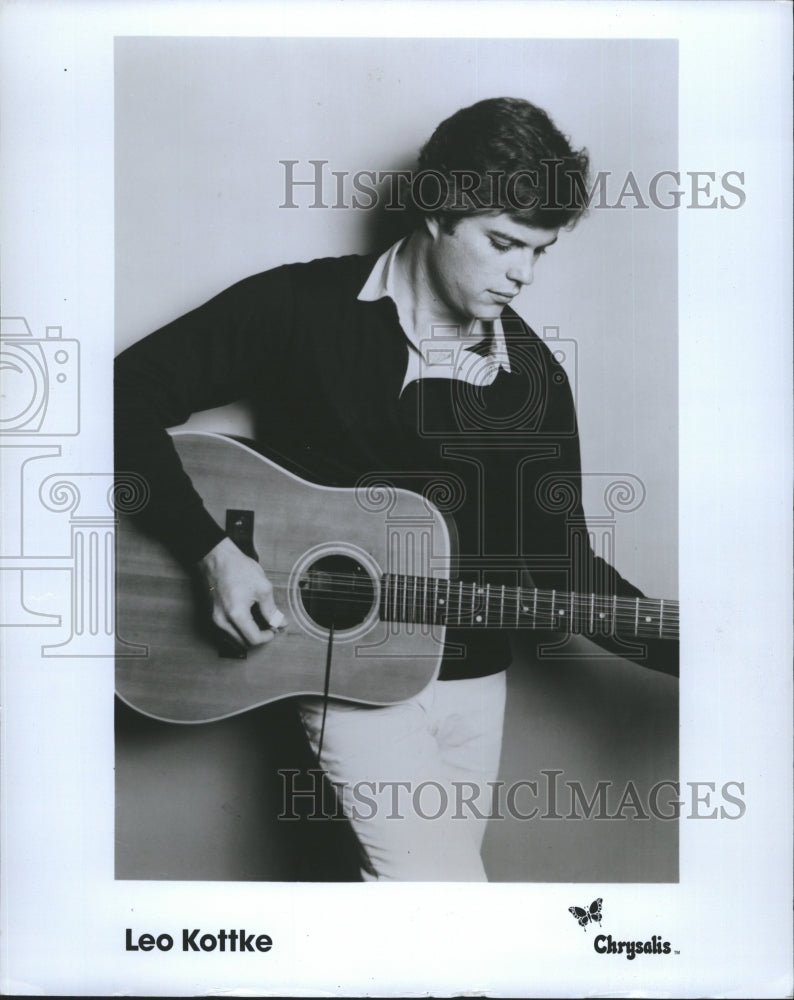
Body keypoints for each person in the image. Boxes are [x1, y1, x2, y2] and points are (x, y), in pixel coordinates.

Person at [115, 96, 677, 882]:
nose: (522, 273)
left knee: (414, 922)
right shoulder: (301, 308)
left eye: (540, 252)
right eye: (504, 242)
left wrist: (700, 650)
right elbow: (118, 392)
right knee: (448, 905)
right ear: (439, 211)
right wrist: (209, 550)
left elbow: (564, 563)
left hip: (476, 683)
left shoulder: (535, 377)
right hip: (348, 673)